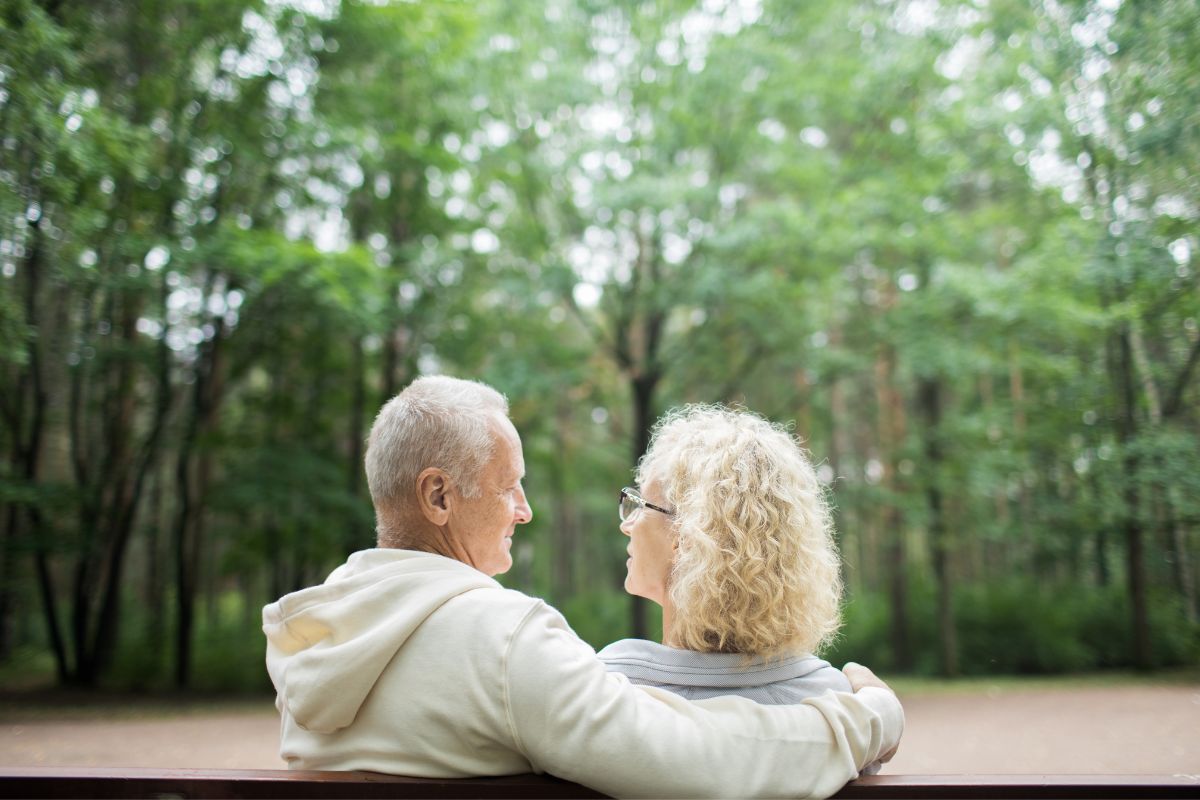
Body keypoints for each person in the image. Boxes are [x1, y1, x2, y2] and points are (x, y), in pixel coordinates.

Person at [263, 376, 903, 799]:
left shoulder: (315, 638)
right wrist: (868, 716)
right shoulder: (502, 640)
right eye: (509, 484)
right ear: (438, 496)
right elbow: (697, 758)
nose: (525, 509)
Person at [598, 405, 881, 773]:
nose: (628, 524)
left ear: (685, 535)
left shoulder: (610, 688)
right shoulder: (837, 707)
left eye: (639, 504)